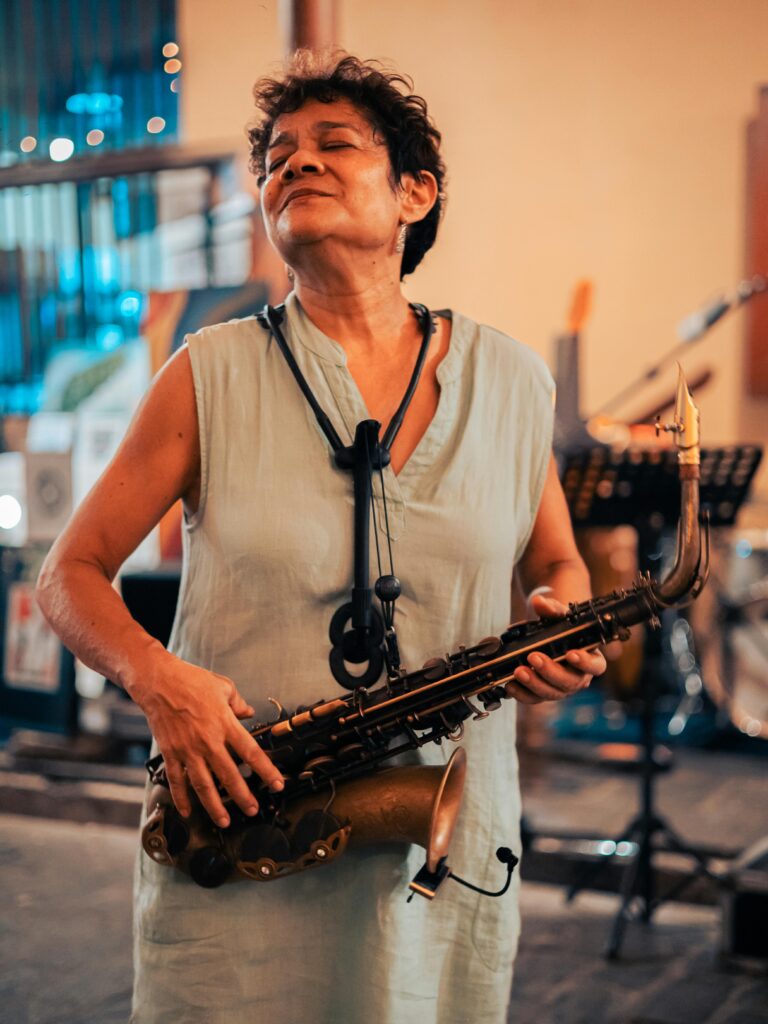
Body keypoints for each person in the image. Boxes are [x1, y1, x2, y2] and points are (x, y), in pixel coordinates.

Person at [37, 51, 606, 1024]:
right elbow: (68, 575)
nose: (295, 164)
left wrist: (565, 615)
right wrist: (155, 677)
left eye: (335, 144)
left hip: (444, 850)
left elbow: (557, 561)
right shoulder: (206, 372)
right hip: (241, 833)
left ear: (416, 194)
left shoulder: (511, 381)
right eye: (277, 157)